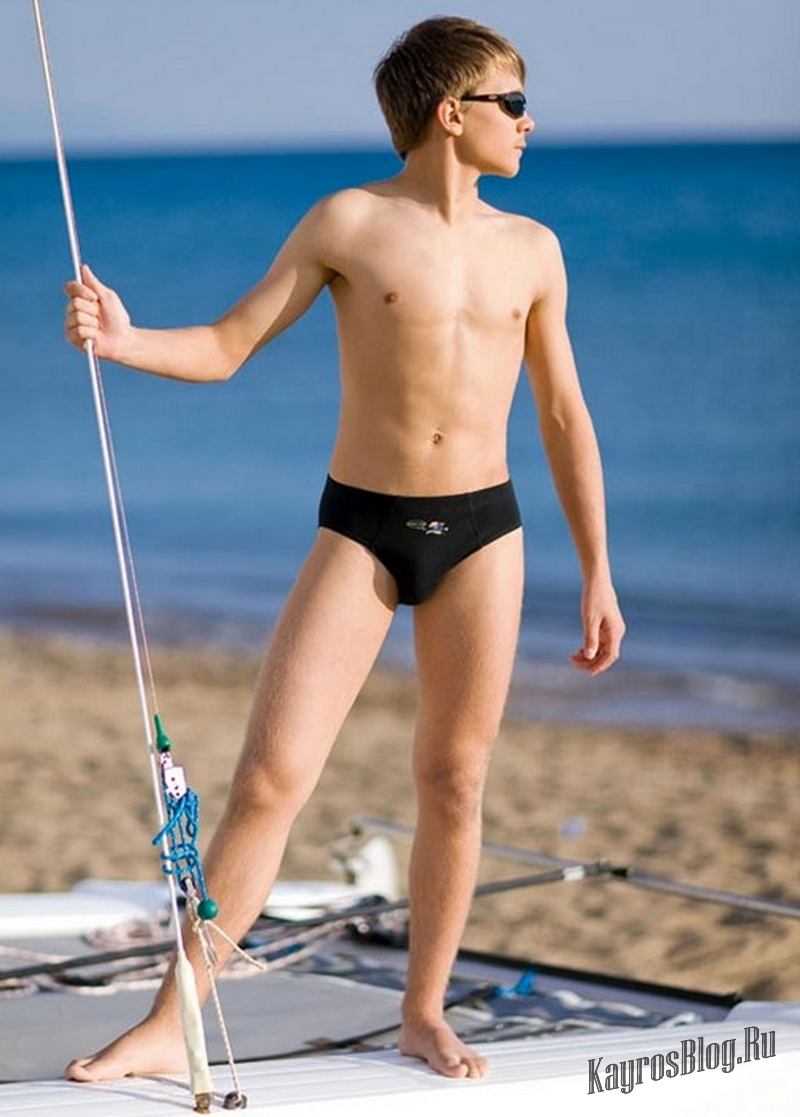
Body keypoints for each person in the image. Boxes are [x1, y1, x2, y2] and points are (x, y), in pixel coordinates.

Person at [62, 15, 626, 1084]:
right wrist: (126, 341)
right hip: (362, 526)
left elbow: (563, 416)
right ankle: (169, 1021)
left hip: (483, 534)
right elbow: (227, 346)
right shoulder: (348, 222)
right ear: (451, 112)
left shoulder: (533, 248)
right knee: (269, 779)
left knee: (453, 779)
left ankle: (423, 1012)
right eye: (513, 102)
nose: (528, 122)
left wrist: (597, 569)